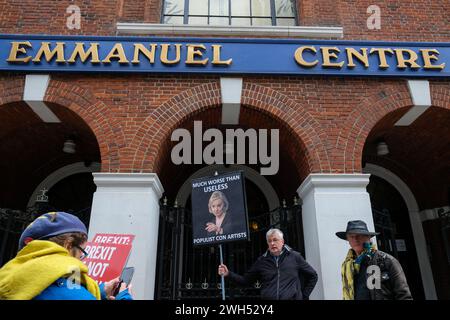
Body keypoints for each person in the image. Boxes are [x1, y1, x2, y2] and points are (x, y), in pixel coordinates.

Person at [0, 211, 132, 300]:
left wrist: (101, 290)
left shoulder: (10, 273)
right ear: (68, 245)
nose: (82, 258)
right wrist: (124, 296)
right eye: (82, 251)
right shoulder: (64, 285)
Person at [218, 228, 318, 300]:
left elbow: (313, 275)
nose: (272, 243)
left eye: (275, 240)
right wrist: (228, 274)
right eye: (269, 241)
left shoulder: (295, 257)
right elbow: (245, 281)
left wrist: (303, 296)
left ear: (282, 241)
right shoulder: (262, 261)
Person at [336, 220, 412, 300]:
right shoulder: (347, 266)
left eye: (360, 235)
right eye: (351, 236)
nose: (355, 239)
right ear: (348, 240)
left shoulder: (386, 261)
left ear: (368, 238)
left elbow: (404, 295)